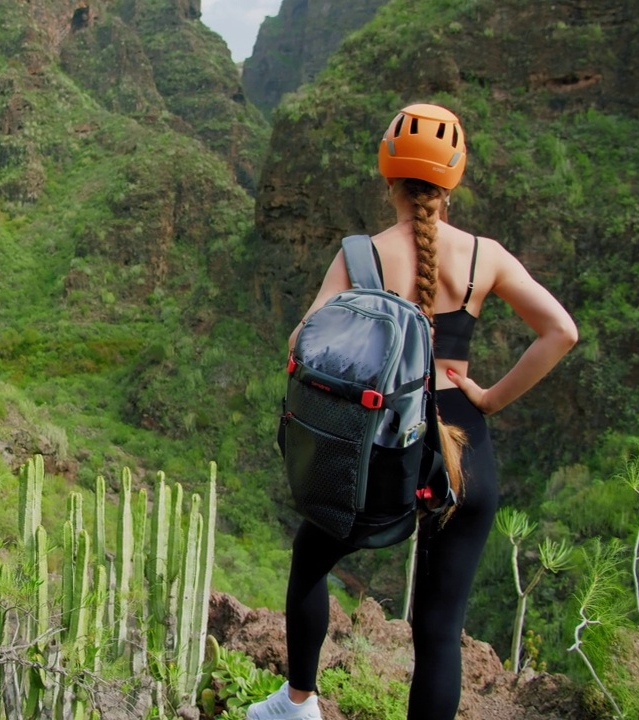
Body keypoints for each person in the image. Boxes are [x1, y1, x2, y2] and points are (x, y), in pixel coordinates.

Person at [247, 103, 578, 720]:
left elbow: (301, 344)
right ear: (452, 180)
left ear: (387, 177)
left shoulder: (359, 255)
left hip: (380, 445)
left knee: (310, 560)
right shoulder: (487, 256)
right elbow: (560, 331)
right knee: (438, 629)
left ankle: (297, 705)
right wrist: (488, 398)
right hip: (463, 450)